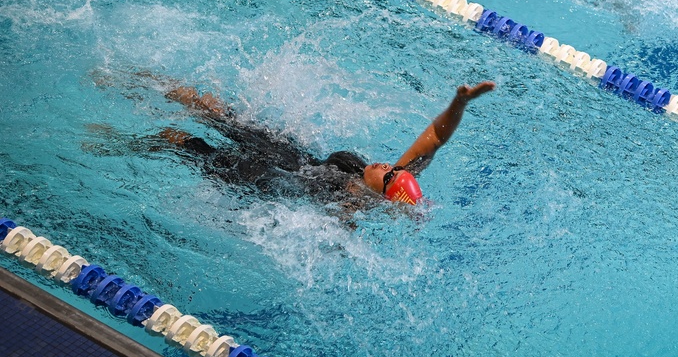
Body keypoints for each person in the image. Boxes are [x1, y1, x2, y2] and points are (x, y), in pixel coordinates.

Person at [144, 78, 496, 208]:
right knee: (214, 109)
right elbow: (434, 137)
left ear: (386, 197)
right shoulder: (388, 176)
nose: (387, 166)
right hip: (289, 155)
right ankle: (139, 81)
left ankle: (120, 140)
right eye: (393, 167)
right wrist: (460, 103)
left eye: (388, 176)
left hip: (263, 179)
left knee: (186, 143)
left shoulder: (352, 206)